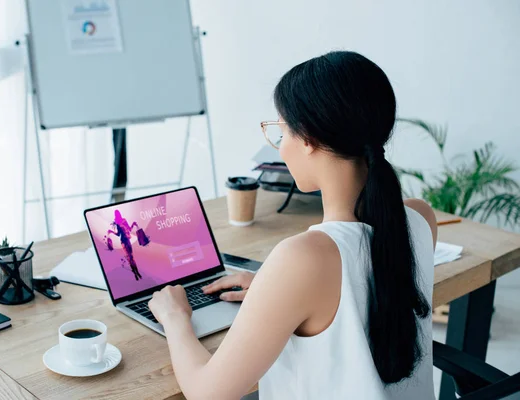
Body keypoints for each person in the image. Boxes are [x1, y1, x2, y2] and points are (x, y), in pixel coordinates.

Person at [148, 51, 437, 399]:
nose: (280, 147)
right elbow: (359, 290)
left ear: (309, 139)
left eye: (281, 131)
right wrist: (276, 290)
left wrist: (176, 318)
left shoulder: (304, 257)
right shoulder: (421, 219)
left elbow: (207, 393)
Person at [107, 209, 143, 281]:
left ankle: (136, 273)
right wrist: (133, 224)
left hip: (124, 241)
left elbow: (119, 234)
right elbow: (128, 229)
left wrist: (111, 231)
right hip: (126, 241)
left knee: (130, 258)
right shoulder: (121, 221)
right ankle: (136, 273)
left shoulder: (119, 222)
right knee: (131, 258)